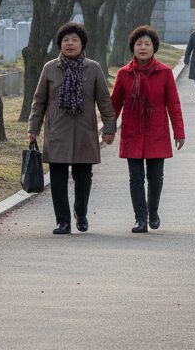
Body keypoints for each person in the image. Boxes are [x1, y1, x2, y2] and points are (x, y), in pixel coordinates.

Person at [27, 21, 116, 235]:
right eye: (65, 40)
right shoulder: (50, 68)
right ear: (60, 44)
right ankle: (63, 221)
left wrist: (109, 127)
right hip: (57, 130)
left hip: (85, 130)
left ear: (82, 44)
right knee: (57, 178)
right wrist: (33, 127)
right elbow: (39, 100)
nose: (69, 44)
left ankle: (81, 212)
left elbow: (104, 100)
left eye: (74, 40)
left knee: (84, 176)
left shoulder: (93, 68)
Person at [111, 25, 185, 233]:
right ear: (132, 48)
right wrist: (108, 129)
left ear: (154, 48)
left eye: (147, 44)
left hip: (156, 132)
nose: (142, 48)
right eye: (138, 44)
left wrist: (179, 132)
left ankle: (153, 211)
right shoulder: (124, 74)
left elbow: (173, 104)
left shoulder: (165, 73)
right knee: (135, 178)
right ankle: (140, 218)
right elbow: (115, 103)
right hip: (132, 132)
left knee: (156, 178)